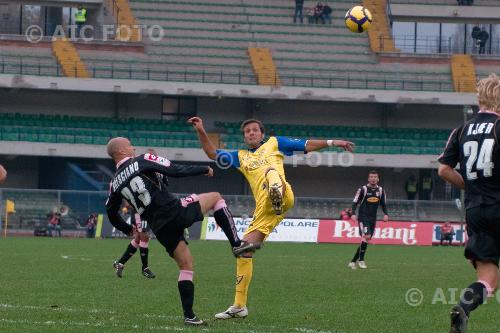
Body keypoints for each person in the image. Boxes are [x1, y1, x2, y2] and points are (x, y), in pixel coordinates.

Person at [188, 116, 354, 319]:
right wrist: (201, 130)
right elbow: (212, 153)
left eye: (255, 130)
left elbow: (306, 145)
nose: (251, 133)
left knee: (270, 171)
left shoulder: (275, 143)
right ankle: (239, 306)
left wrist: (332, 143)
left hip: (285, 195)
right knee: (243, 251)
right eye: (247, 131)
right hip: (265, 210)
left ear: (262, 133)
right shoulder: (240, 156)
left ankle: (275, 190)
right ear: (244, 136)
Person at [105, 137, 259, 326]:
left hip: (159, 226)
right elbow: (175, 169)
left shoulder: (114, 184)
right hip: (173, 211)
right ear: (121, 151)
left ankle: (189, 316)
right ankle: (236, 244)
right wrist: (203, 169)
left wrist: (128, 229)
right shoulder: (142, 160)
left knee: (186, 266)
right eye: (129, 145)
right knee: (216, 197)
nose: (133, 147)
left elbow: (111, 213)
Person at [438, 73, 500, 333]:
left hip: (475, 210)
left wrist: (471, 185)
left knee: (487, 281)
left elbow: (443, 170)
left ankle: (464, 307)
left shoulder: (461, 130)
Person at [347, 170, 389, 270]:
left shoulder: (381, 190)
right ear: (368, 178)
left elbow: (383, 204)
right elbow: (355, 202)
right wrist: (353, 213)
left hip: (373, 218)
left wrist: (386, 214)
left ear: (378, 179)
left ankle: (352, 261)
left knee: (366, 239)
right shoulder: (363, 189)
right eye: (371, 177)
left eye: (375, 177)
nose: (373, 178)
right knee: (367, 236)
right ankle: (361, 260)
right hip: (363, 217)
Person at [112, 203, 156, 279]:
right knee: (144, 237)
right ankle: (145, 268)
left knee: (138, 239)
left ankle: (120, 263)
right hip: (139, 213)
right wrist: (129, 204)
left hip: (145, 212)